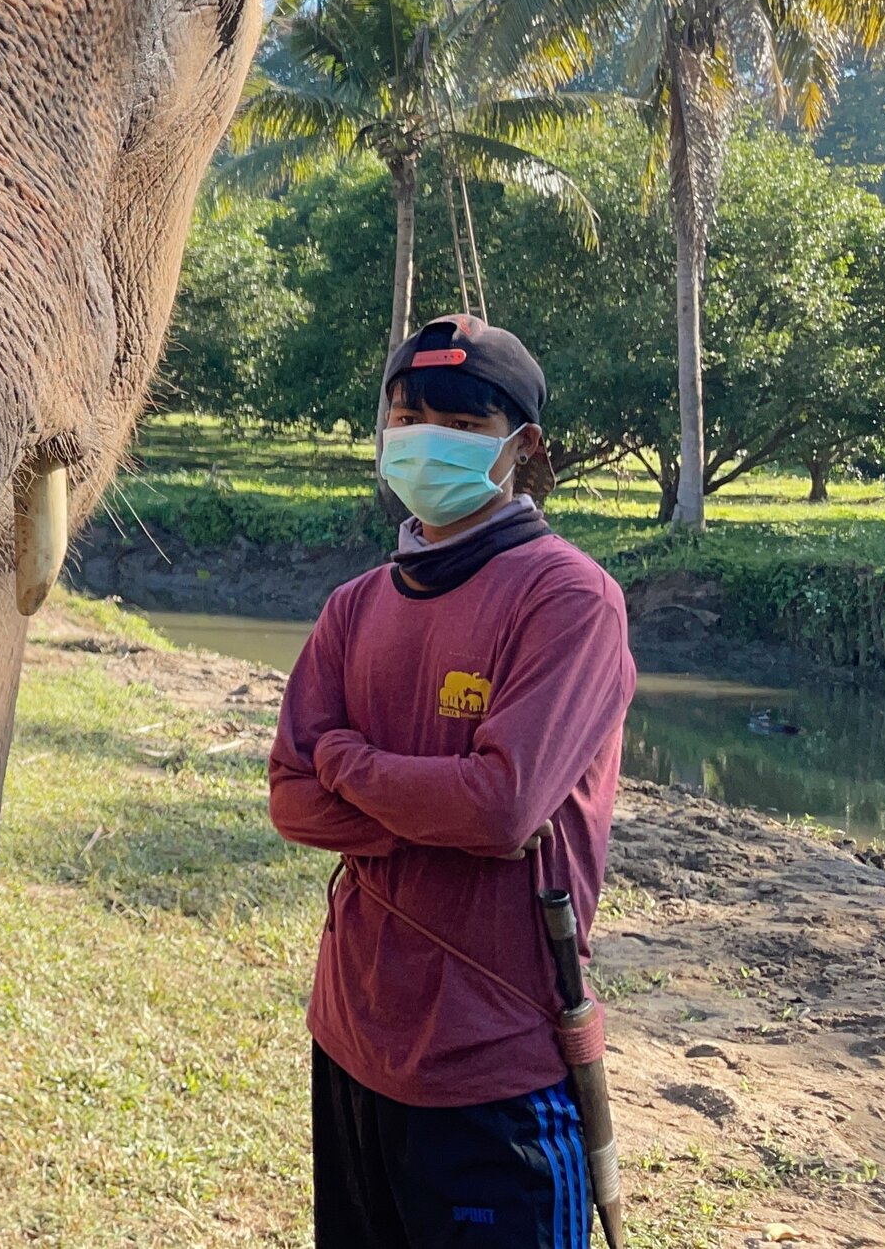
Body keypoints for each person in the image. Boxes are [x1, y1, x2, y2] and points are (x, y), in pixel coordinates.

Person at [268, 314, 634, 1248]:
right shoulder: (356, 604)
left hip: (493, 1069)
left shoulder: (568, 600)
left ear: (523, 447)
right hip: (351, 1039)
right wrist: (434, 803)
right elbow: (288, 796)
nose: (427, 437)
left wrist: (351, 764)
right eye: (408, 413)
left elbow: (503, 804)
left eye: (463, 423)